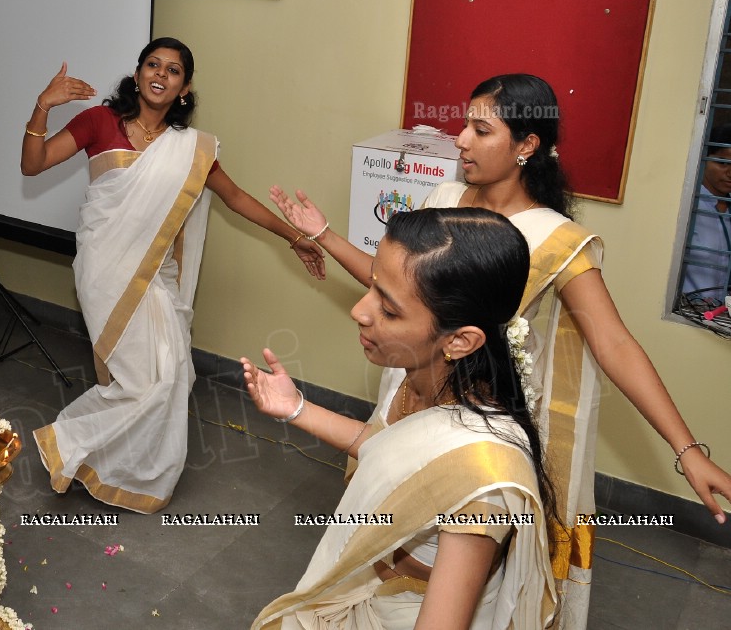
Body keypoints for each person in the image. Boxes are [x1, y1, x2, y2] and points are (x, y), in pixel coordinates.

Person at [273, 73, 731, 627]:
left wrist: (687, 451)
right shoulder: (445, 197)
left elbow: (614, 344)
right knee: (390, 528)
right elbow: (390, 283)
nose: (460, 139)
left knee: (453, 558)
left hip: (475, 417)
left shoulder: (556, 239)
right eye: (464, 124)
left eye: (480, 129)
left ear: (526, 145)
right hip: (415, 389)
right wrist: (323, 232)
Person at [21, 38, 325, 513]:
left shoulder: (190, 148)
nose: (161, 74)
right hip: (105, 268)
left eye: (174, 70)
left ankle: (118, 464)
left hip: (157, 274)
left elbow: (237, 198)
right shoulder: (98, 122)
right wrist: (43, 106)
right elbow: (32, 164)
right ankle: (68, 441)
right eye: (153, 65)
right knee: (143, 379)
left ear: (185, 87)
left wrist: (294, 236)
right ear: (138, 73)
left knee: (171, 373)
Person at [246, 208, 556, 629]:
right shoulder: (415, 375)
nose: (360, 310)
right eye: (372, 285)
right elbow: (386, 448)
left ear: (460, 340)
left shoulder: (483, 475)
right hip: (369, 591)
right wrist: (296, 407)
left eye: (389, 311)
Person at [679, 124, 731, 302]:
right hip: (686, 312)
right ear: (703, 159)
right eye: (722, 163)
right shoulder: (688, 209)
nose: (730, 172)